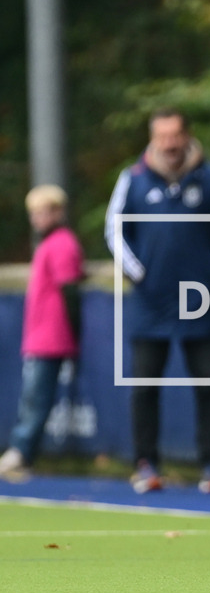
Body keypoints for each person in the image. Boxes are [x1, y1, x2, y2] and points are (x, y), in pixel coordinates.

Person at [105, 108, 210, 494]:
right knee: (145, 387)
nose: (168, 144)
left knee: (207, 384)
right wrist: (139, 274)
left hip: (199, 301)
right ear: (153, 139)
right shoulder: (131, 180)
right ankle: (146, 464)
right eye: (161, 136)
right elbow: (114, 231)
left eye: (174, 136)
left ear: (186, 137)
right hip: (150, 303)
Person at [0, 185, 84, 479]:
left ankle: (21, 450)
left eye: (43, 211)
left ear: (58, 212)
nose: (37, 218)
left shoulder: (62, 243)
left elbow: (69, 291)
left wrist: (74, 332)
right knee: (32, 396)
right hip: (39, 335)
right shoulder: (48, 244)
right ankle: (23, 451)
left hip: (53, 336)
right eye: (34, 213)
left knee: (37, 397)